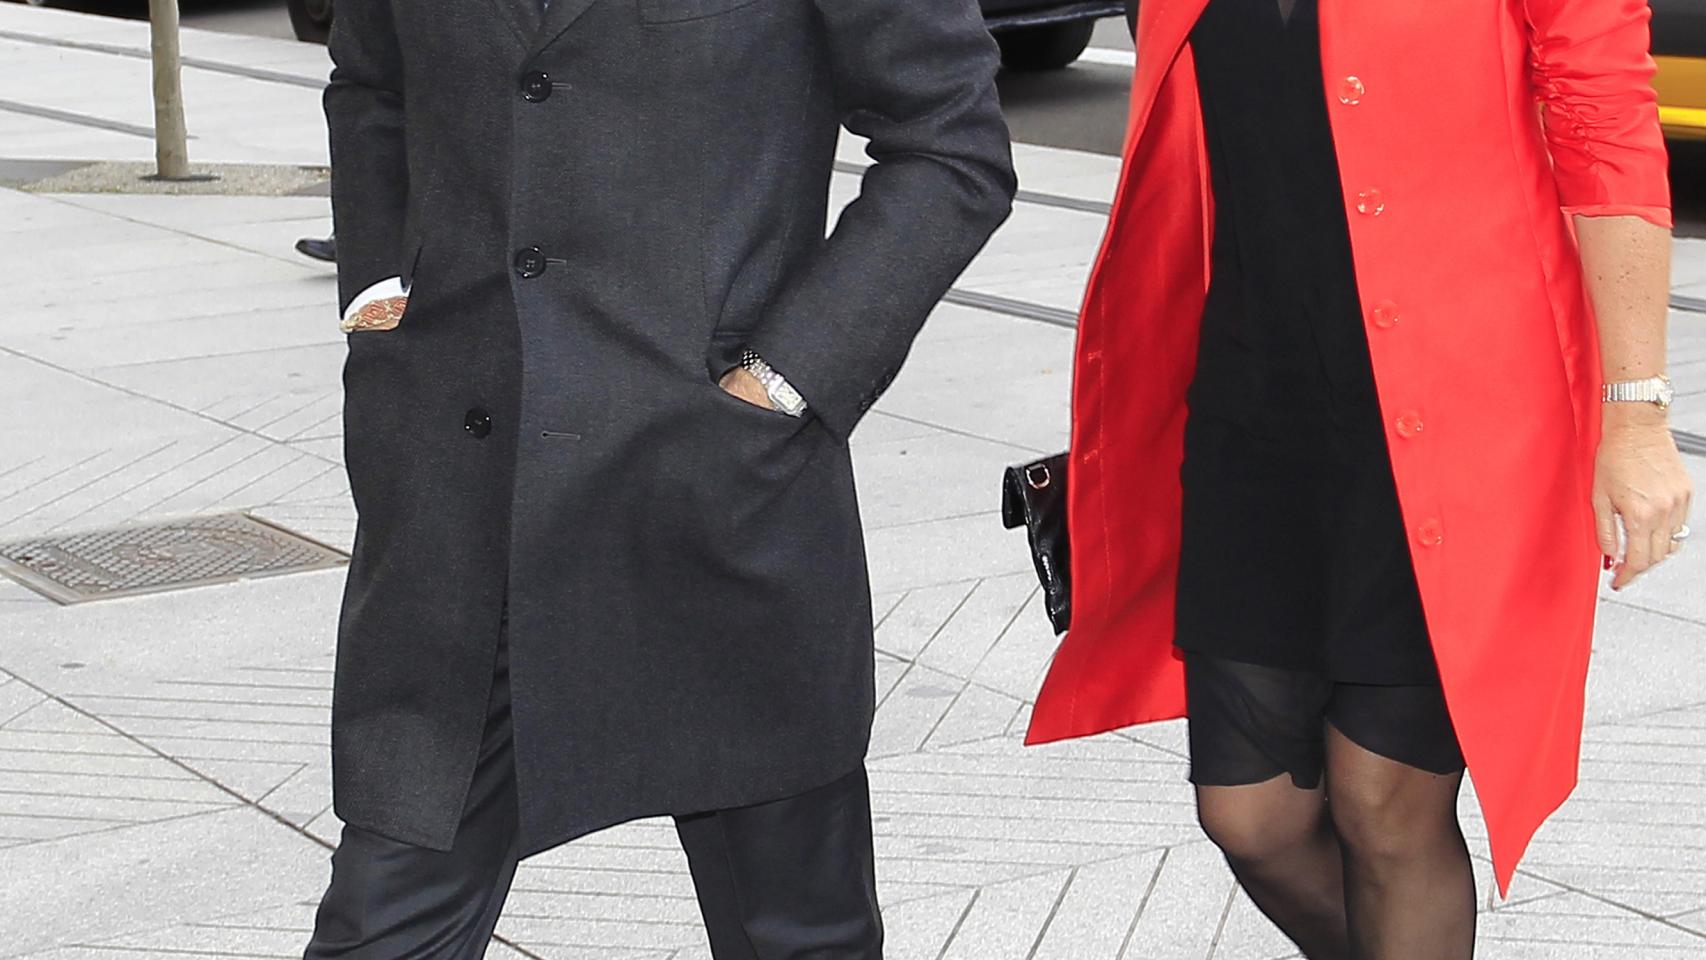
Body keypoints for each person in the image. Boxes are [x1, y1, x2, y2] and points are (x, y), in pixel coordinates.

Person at [308, 0, 1015, 955]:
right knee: (381, 926)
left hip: (712, 489)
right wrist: (379, 285)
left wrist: (787, 379)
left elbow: (951, 141)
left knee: (795, 934)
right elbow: (370, 82)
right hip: (464, 501)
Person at [1027, 0, 1690, 957]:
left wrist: (1635, 415)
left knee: (1386, 806)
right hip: (1256, 396)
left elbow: (1607, 115)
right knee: (1249, 815)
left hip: (1458, 413)